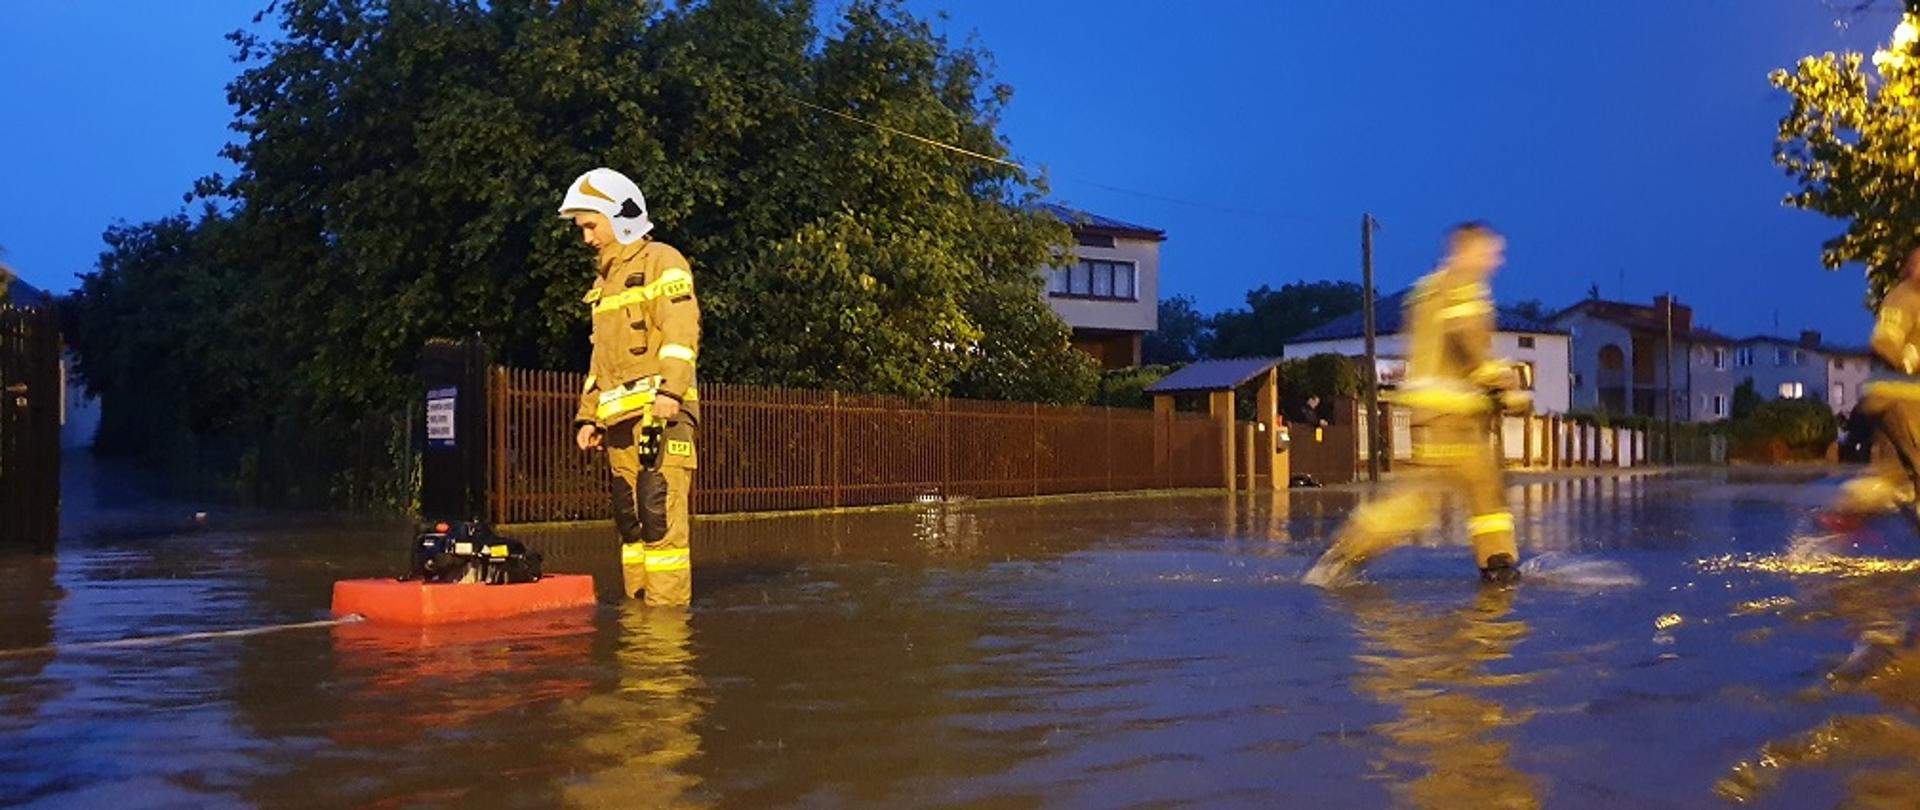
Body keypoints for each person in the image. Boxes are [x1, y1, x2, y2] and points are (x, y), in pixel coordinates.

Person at [1304, 223, 1530, 586]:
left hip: (1434, 412)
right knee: (1449, 494)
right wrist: (1501, 383)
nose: (1496, 260)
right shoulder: (1462, 288)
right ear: (1468, 250)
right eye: (1491, 251)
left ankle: (1346, 553)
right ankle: (1496, 564)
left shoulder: (1429, 290)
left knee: (1473, 487)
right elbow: (1465, 341)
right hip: (1450, 413)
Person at [561, 168, 701, 606]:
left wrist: (671, 393)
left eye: (590, 224)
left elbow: (681, 330)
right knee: (631, 522)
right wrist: (589, 415)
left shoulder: (663, 261)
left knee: (659, 520)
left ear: (618, 214)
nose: (586, 238)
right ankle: (638, 619)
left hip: (663, 417)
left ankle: (665, 631)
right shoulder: (603, 286)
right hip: (619, 420)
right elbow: (599, 360)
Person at [1822, 246, 1920, 532]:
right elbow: (1885, 341)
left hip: (1897, 400)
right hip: (1899, 396)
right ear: (1912, 267)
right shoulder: (1904, 297)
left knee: (1894, 475)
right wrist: (1910, 360)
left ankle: (1849, 511)